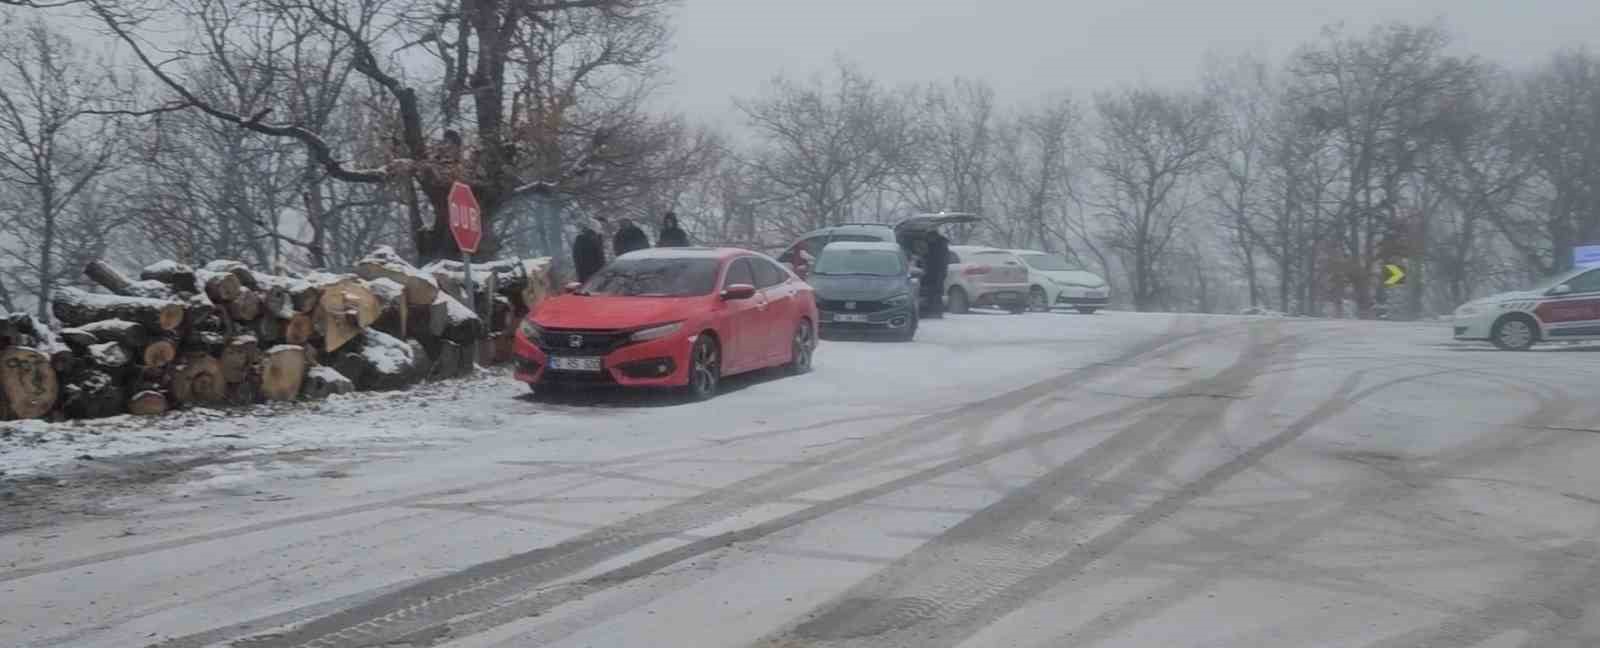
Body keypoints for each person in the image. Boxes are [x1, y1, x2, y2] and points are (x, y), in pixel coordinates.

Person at [920, 231, 950, 318]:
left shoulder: (939, 246)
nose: (928, 240)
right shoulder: (939, 244)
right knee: (935, 292)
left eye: (929, 238)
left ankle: (936, 312)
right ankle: (934, 311)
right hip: (936, 272)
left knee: (936, 292)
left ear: (934, 237)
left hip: (938, 272)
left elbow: (936, 259)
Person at [572, 217, 606, 283]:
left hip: (594, 273)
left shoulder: (595, 238)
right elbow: (579, 259)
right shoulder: (583, 239)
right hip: (590, 273)